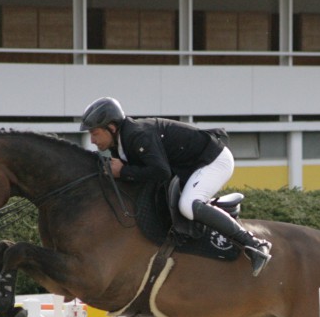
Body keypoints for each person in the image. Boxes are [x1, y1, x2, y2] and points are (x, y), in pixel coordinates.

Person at [79, 96, 271, 276]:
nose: (93, 140)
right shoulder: (119, 143)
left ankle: (254, 245)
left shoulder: (138, 136)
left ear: (111, 128)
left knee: (188, 205)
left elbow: (161, 172)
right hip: (190, 166)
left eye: (95, 133)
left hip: (213, 161)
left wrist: (124, 172)